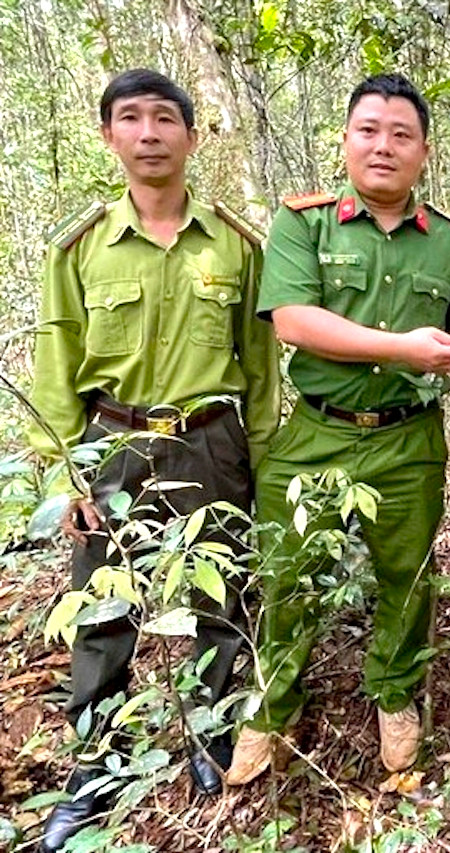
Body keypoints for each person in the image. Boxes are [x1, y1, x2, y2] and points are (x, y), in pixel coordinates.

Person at [28, 69, 280, 852]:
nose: (148, 134)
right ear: (108, 135)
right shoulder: (77, 249)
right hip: (112, 443)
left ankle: (210, 734)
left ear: (191, 136)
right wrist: (63, 472)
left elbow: (262, 364)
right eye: (130, 119)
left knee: (223, 596)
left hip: (211, 438)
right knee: (103, 606)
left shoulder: (237, 243)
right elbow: (55, 361)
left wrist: (264, 466)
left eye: (164, 119)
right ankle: (97, 766)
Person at [227, 73, 450, 783]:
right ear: (344, 140)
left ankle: (395, 698)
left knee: (407, 579)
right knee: (288, 578)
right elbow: (293, 321)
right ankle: (276, 709)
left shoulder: (448, 241)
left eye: (401, 135)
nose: (383, 146)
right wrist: (405, 347)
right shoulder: (302, 223)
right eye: (369, 130)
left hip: (409, 439)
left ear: (424, 152)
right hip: (318, 431)